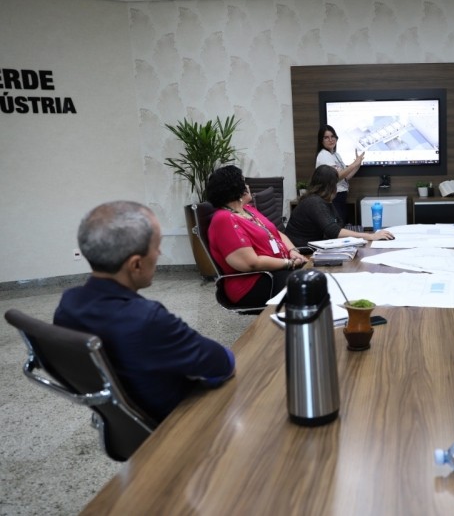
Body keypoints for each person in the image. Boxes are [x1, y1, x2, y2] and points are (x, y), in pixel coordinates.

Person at [54, 201, 235, 423]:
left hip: (124, 425)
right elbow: (223, 364)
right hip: (175, 426)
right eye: (156, 246)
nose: (159, 253)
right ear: (136, 265)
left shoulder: (68, 304)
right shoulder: (147, 320)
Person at [207, 165, 308, 307]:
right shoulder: (224, 219)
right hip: (253, 282)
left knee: (317, 276)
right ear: (236, 188)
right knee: (308, 284)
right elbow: (250, 263)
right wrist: (288, 263)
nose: (247, 185)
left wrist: (292, 251)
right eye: (243, 181)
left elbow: (276, 233)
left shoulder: (247, 210)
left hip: (276, 270)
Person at [285, 165, 395, 248]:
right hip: (302, 252)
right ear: (330, 186)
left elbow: (338, 224)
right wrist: (370, 236)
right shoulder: (314, 202)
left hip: (312, 247)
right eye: (336, 184)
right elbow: (334, 231)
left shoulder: (323, 200)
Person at [315, 124, 364, 222]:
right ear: (321, 140)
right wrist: (354, 164)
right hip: (332, 198)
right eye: (326, 137)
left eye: (333, 136)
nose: (330, 140)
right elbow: (336, 177)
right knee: (336, 228)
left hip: (341, 196)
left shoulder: (335, 155)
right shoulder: (324, 155)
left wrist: (358, 164)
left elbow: (345, 177)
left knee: (341, 224)